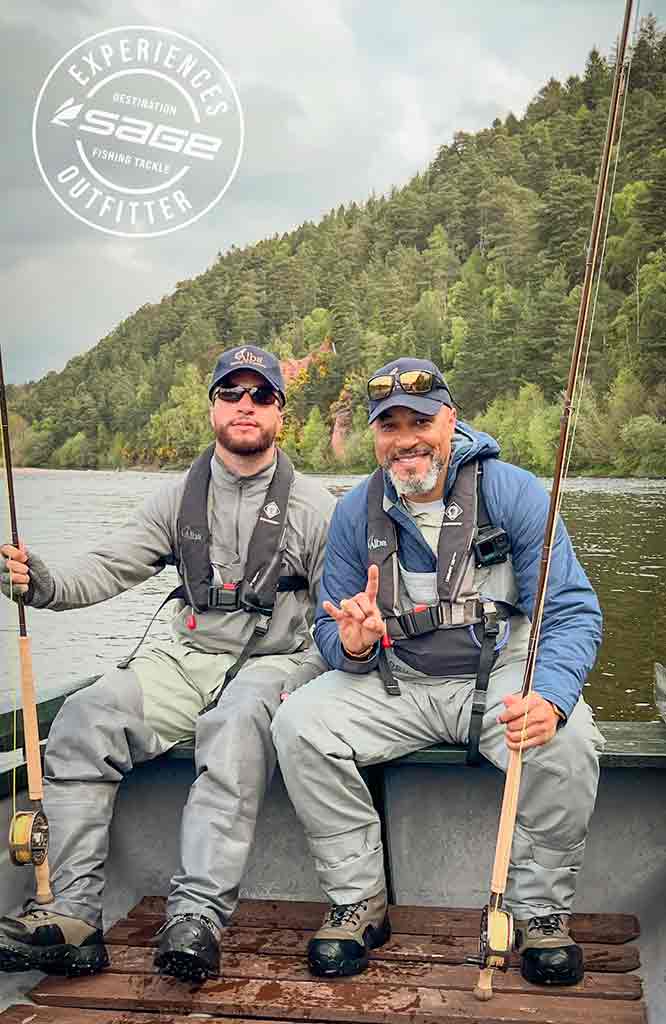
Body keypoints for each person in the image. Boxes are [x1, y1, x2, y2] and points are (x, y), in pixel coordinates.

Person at [0, 344, 336, 983]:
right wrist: (41, 582)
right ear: (212, 407)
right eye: (231, 393)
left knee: (235, 728)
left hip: (276, 661)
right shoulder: (176, 498)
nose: (245, 406)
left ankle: (197, 916)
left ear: (280, 415)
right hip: (187, 657)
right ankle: (72, 917)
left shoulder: (319, 508)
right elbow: (104, 567)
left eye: (260, 395)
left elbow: (336, 622)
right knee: (83, 718)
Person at [272, 356, 604, 987]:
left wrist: (553, 698)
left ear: (450, 419)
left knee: (570, 741)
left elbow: (571, 613)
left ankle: (539, 916)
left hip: (499, 674)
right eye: (389, 426)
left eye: (419, 421)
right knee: (299, 723)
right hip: (397, 681)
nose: (405, 440)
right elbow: (330, 628)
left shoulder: (513, 492)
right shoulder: (354, 513)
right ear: (375, 437)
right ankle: (358, 903)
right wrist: (355, 646)